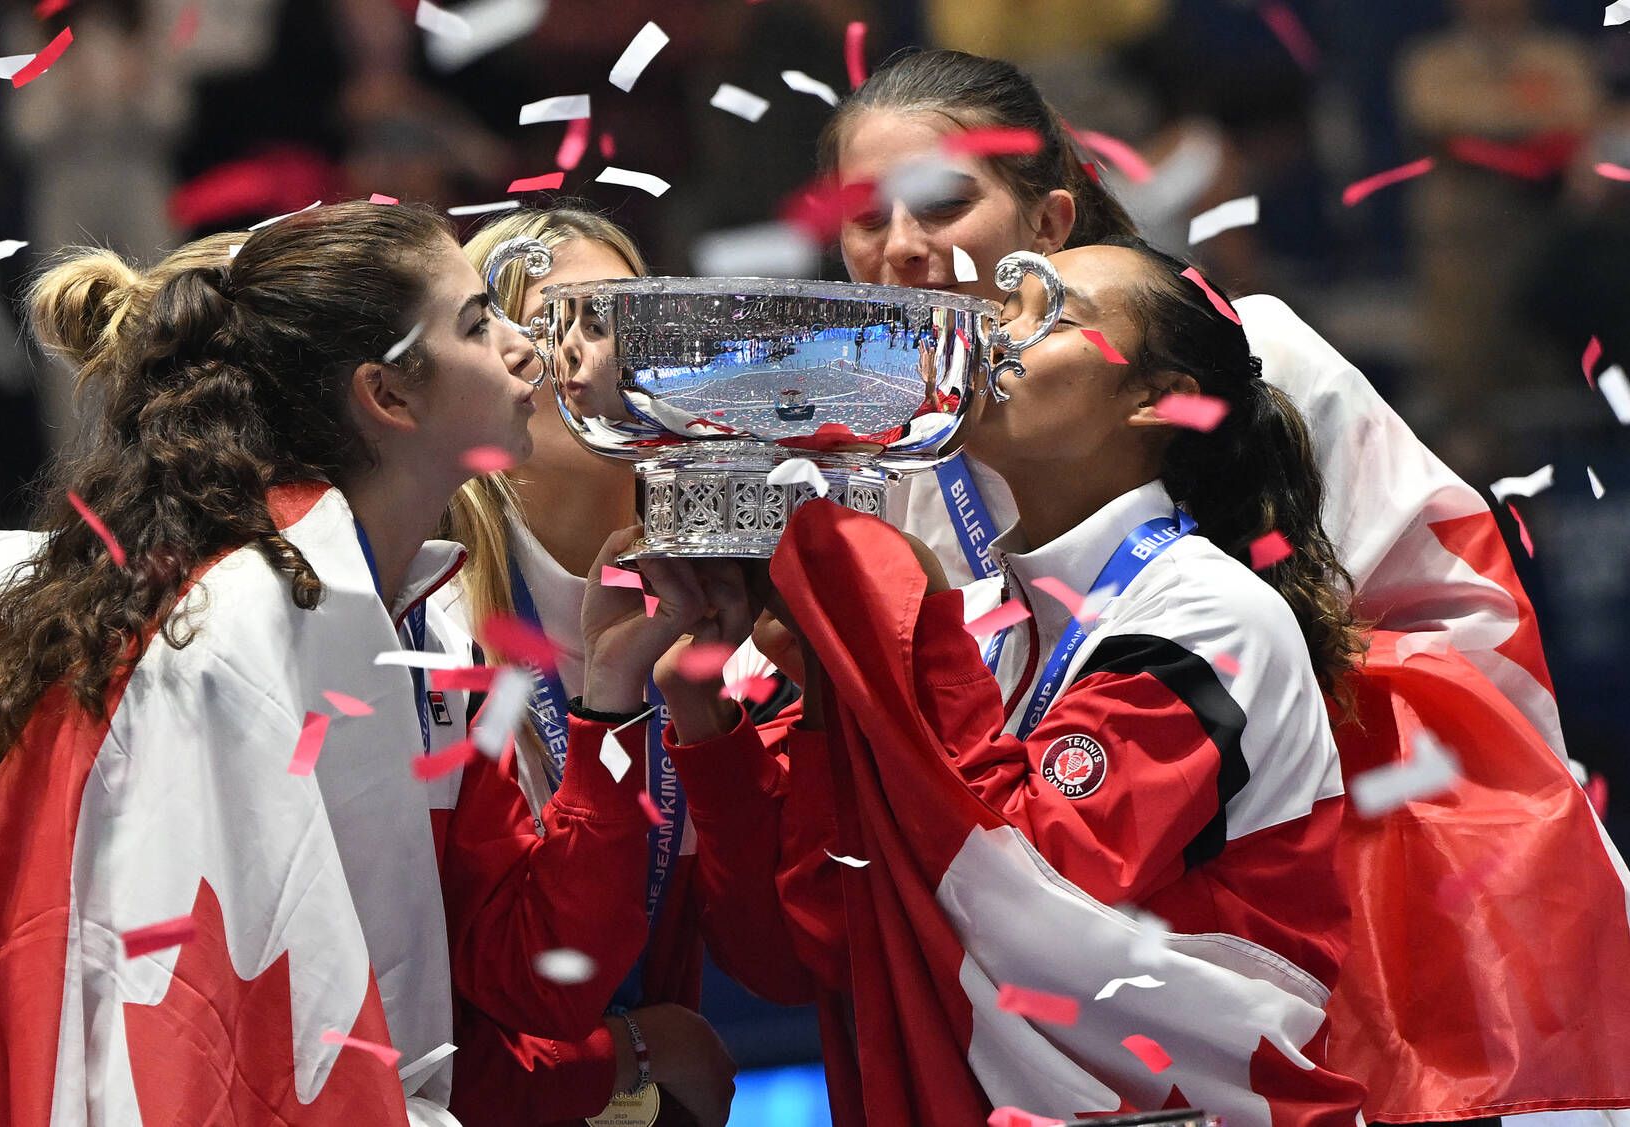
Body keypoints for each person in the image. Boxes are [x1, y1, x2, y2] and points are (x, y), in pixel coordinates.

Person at [812, 48, 1630, 1121]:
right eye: (864, 219)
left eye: (940, 206)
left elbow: (1462, 620)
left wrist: (1246, 754)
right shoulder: (862, 457)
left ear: (1050, 221)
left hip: (1296, 922)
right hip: (1016, 950)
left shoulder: (1254, 354)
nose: (902, 249)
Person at [0, 202, 656, 1126]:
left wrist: (612, 709)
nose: (532, 348)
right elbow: (170, 1033)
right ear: (387, 393)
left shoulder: (433, 633)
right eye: (480, 321)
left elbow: (525, 965)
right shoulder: (144, 629)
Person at [644, 240, 1371, 1123]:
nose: (993, 338)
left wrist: (901, 625)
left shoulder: (1212, 615)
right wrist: (713, 726)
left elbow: (1026, 893)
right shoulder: (986, 625)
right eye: (1001, 310)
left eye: (1048, 315)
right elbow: (803, 952)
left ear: (1154, 397)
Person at [437, 205, 787, 1127]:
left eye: (623, 320)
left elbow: (777, 952)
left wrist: (707, 722)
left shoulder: (730, 593)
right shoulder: (430, 613)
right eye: (551, 319)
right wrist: (624, 1053)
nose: (589, 354)